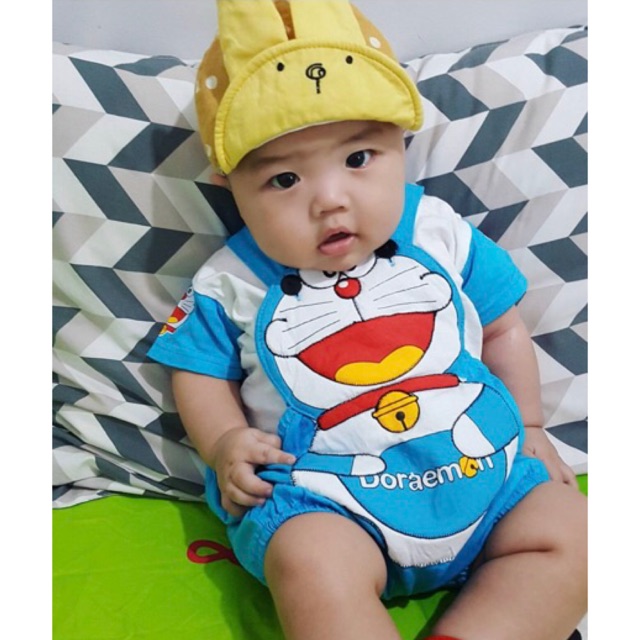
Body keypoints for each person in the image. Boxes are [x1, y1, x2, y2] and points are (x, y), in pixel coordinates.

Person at [148, 1, 587, 638]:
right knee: (309, 563)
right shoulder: (231, 280)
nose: (330, 200)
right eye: (285, 179)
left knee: (579, 532)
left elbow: (501, 328)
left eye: (358, 160)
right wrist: (223, 445)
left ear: (399, 147)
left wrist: (531, 423)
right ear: (228, 186)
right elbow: (198, 372)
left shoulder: (437, 231)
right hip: (329, 500)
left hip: (489, 473)